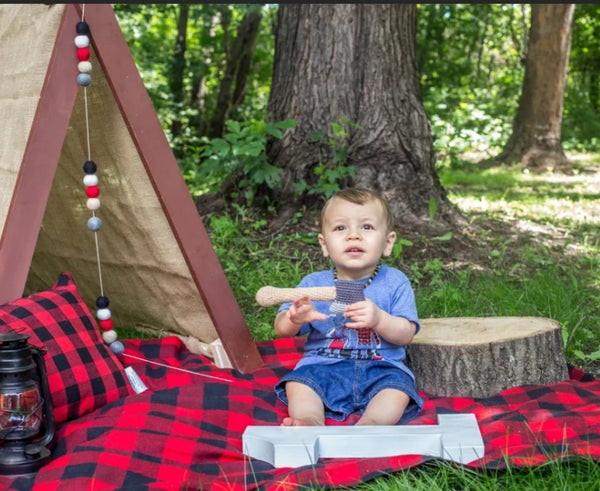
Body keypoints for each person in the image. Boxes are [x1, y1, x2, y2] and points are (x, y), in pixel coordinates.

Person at [274, 187, 424, 426]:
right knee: (299, 383)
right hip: (323, 365)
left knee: (397, 389)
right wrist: (294, 318)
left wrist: (379, 319)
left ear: (388, 242)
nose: (353, 235)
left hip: (381, 367)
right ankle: (310, 421)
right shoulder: (313, 284)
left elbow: (406, 335)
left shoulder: (395, 282)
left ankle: (372, 424)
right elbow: (281, 329)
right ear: (324, 244)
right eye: (340, 228)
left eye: (366, 227)